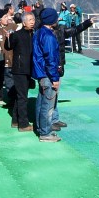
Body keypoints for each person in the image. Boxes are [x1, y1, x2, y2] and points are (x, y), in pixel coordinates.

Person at [33, 8, 62, 142]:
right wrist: (54, 78)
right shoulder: (49, 36)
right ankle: (45, 133)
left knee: (41, 103)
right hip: (47, 75)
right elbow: (50, 58)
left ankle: (40, 128)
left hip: (40, 73)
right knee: (48, 105)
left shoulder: (38, 32)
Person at [6, 13, 35, 131]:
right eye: (29, 20)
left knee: (20, 96)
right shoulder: (17, 35)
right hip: (20, 70)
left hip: (28, 69)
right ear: (24, 22)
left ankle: (15, 120)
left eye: (33, 19)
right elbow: (8, 47)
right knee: (23, 97)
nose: (32, 21)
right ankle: (23, 124)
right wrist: (8, 37)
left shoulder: (33, 34)